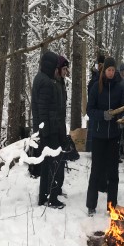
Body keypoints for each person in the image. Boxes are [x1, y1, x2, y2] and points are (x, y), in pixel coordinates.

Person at [86, 57, 124, 215]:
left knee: (113, 172)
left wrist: (122, 117)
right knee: (96, 171)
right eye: (108, 70)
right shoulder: (97, 87)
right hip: (98, 135)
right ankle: (91, 204)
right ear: (104, 71)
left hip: (114, 136)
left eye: (112, 70)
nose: (110, 72)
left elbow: (123, 107)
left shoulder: (119, 88)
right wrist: (103, 115)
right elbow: (90, 110)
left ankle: (112, 205)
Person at [31, 50, 66, 209]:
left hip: (46, 130)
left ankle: (43, 195)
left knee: (47, 165)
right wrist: (46, 132)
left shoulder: (42, 79)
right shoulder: (46, 82)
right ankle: (51, 197)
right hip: (48, 131)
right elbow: (43, 110)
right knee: (52, 164)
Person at [54, 55, 69, 198]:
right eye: (64, 68)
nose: (66, 71)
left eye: (66, 69)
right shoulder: (54, 83)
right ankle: (54, 188)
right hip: (56, 127)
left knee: (61, 160)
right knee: (56, 161)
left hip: (61, 125)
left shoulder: (62, 83)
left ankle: (58, 187)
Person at [86, 54, 105, 153]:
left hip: (99, 107)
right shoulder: (95, 76)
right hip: (93, 106)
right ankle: (91, 148)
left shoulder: (101, 75)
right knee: (93, 126)